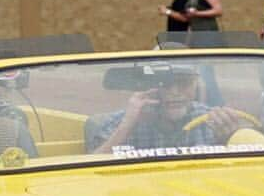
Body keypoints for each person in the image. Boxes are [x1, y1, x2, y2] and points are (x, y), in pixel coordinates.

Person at [85, 65, 250, 153]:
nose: (175, 92)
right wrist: (126, 126)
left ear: (195, 85)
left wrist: (229, 139)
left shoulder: (212, 121)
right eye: (165, 83)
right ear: (148, 86)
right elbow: (88, 173)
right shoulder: (124, 121)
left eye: (184, 83)